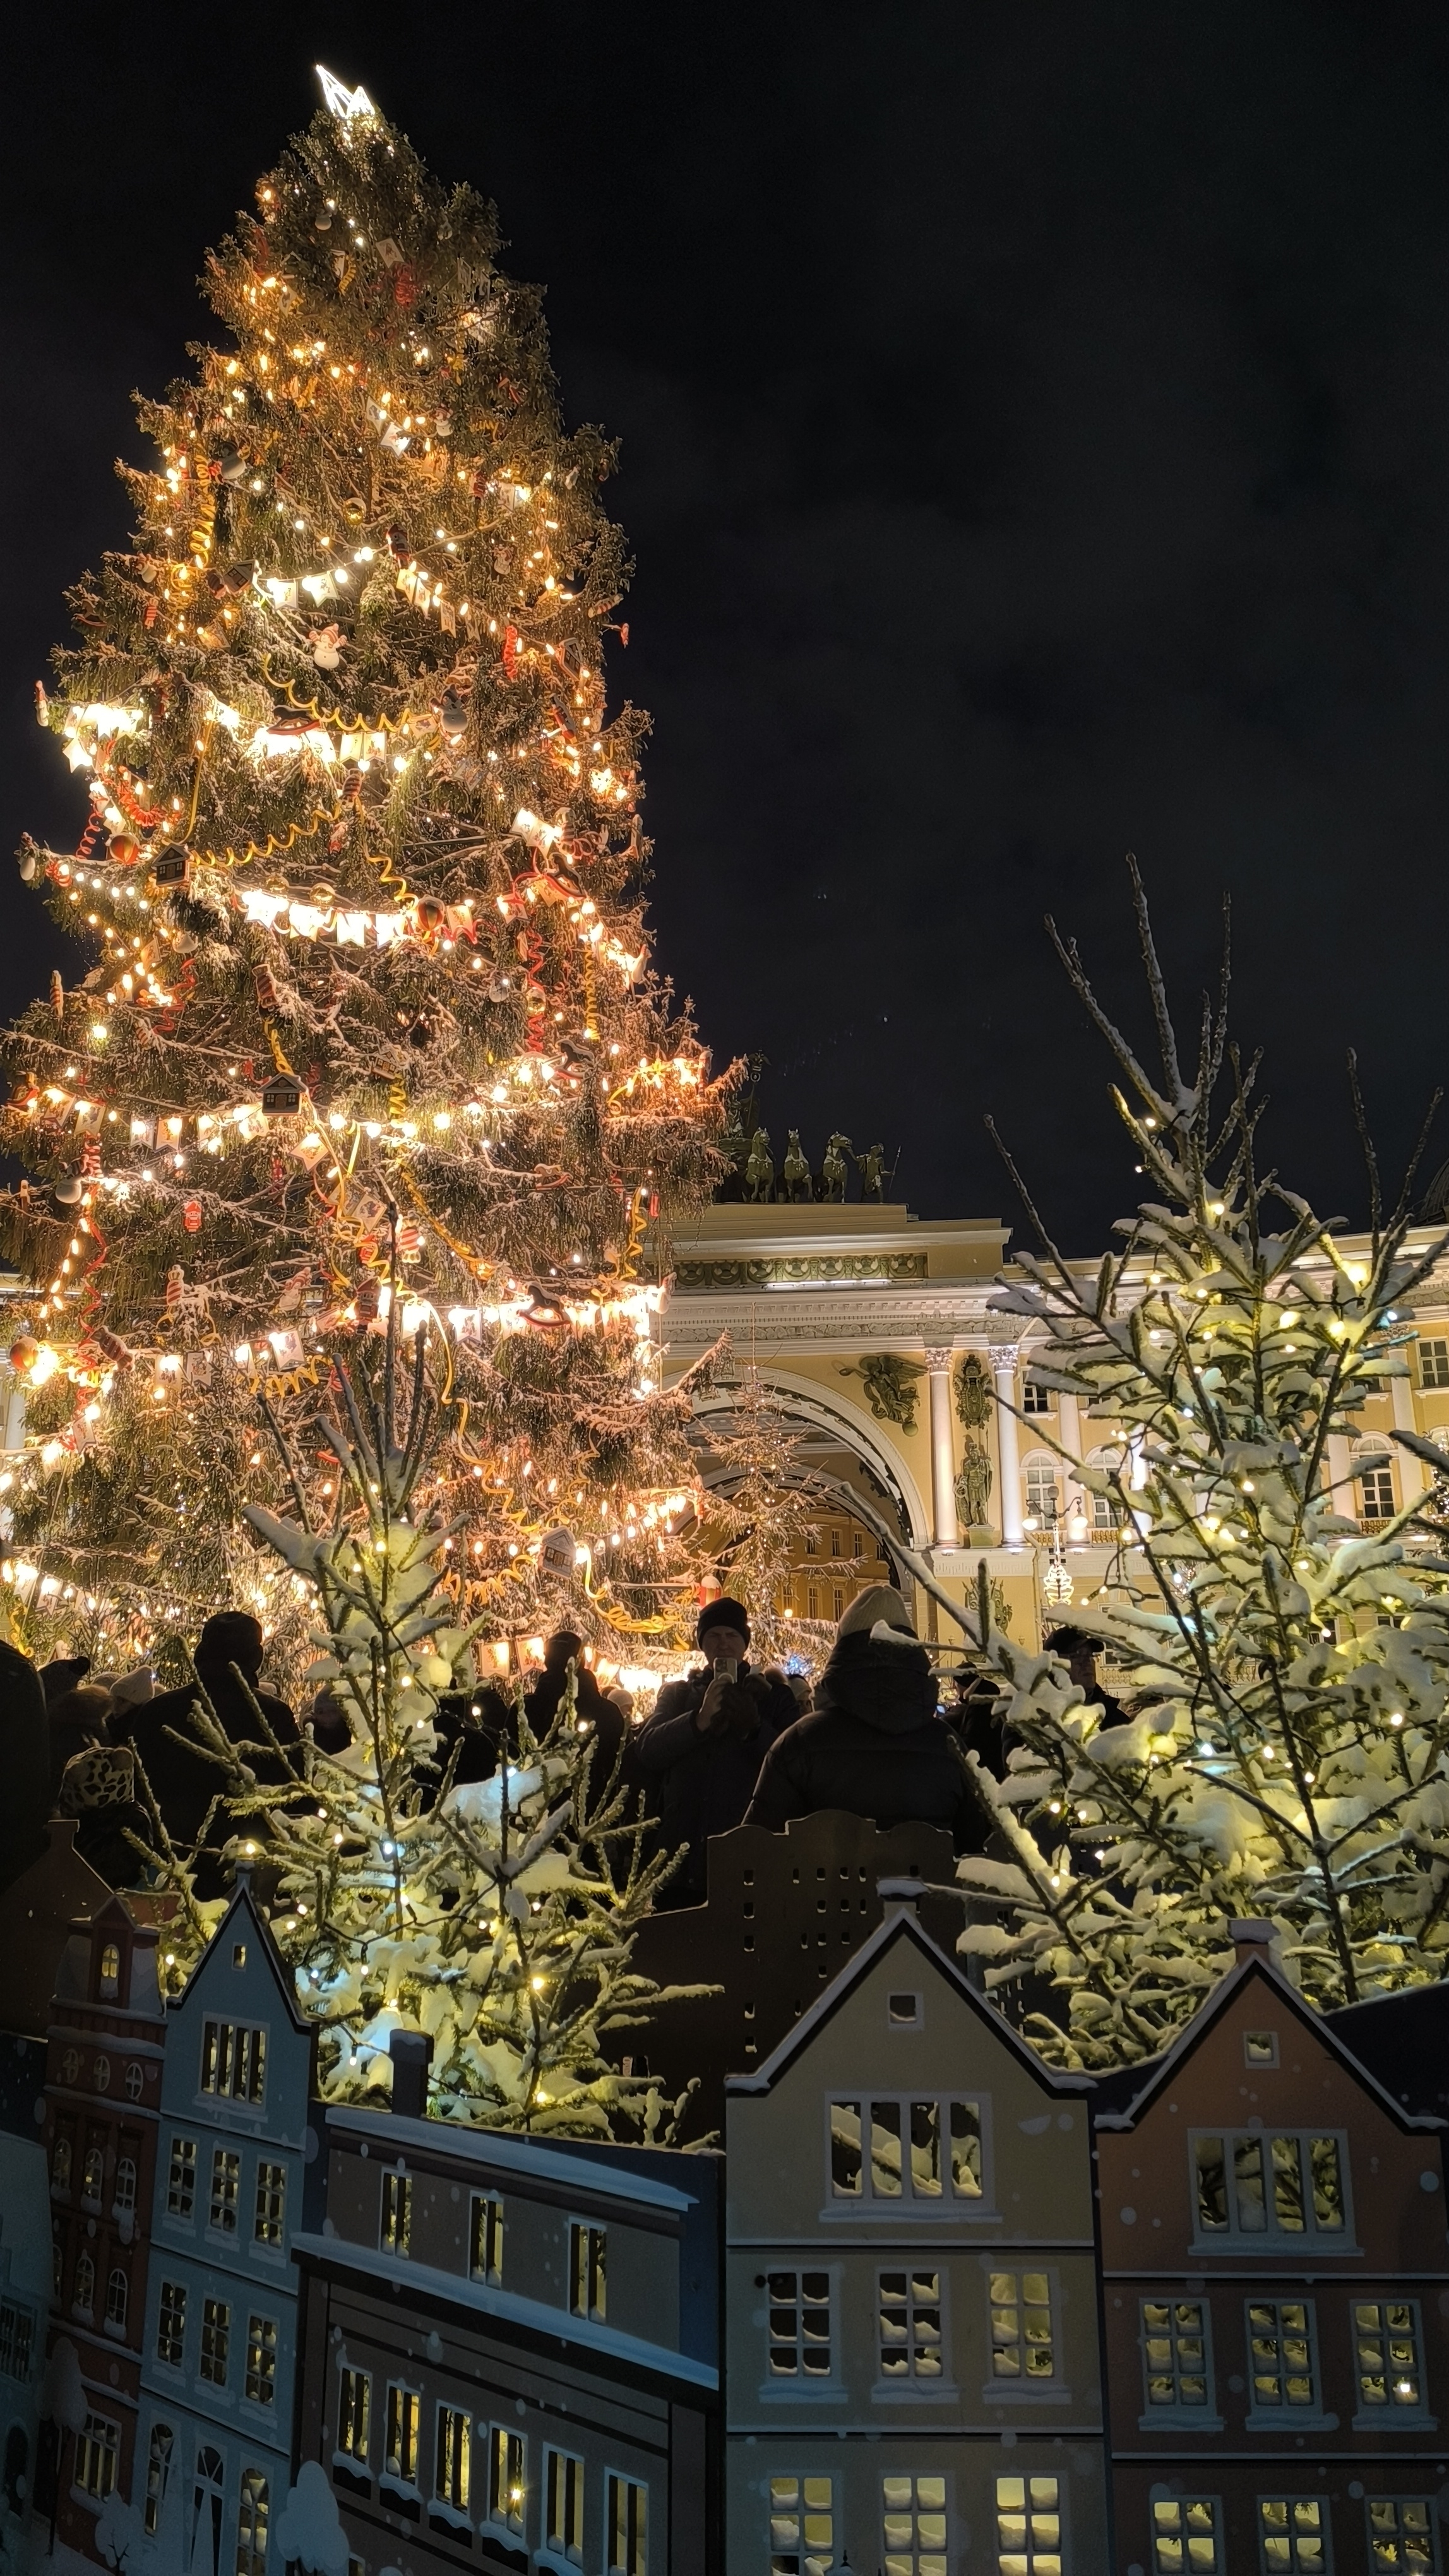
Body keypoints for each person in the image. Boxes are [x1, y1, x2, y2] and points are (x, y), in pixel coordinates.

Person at [745, 1586, 983, 1851]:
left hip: (828, 1891)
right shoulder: (949, 1746)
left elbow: (757, 1851)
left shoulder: (799, 1742)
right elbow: (979, 1850)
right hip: (927, 1891)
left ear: (842, 1654)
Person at [110, 1611, 301, 1893]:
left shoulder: (159, 1711)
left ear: (201, 1653)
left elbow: (132, 1789)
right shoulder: (272, 1716)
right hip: (244, 1870)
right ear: (256, 1658)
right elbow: (294, 1797)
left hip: (166, 1865)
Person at [633, 1598, 796, 1904]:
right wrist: (698, 1721)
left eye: (732, 1636)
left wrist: (755, 1730)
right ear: (703, 1644)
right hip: (676, 1863)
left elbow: (793, 1764)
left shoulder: (774, 1698)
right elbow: (648, 1750)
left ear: (744, 1643)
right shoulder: (678, 1694)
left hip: (745, 1858)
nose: (723, 1644)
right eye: (714, 1636)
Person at [1044, 1626, 1128, 1726]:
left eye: (1089, 1655)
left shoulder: (1114, 1720)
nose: (1087, 1662)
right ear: (1056, 1664)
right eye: (1078, 1655)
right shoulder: (1040, 1721)